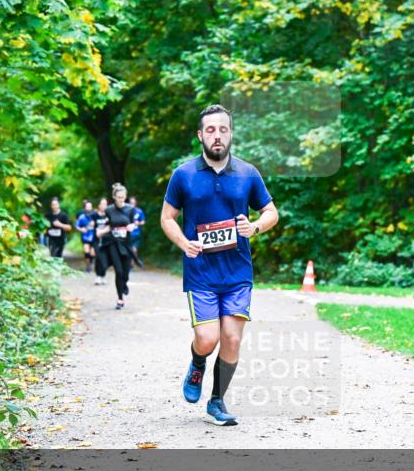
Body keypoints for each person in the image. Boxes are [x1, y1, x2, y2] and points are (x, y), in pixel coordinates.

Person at [160, 104, 279, 426]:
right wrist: (184, 243)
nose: (217, 136)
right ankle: (198, 362)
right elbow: (167, 218)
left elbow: (271, 212)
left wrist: (255, 227)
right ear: (200, 135)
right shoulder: (183, 174)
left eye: (222, 130)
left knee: (233, 339)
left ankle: (217, 401)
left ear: (230, 134)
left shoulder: (247, 173)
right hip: (201, 273)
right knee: (208, 338)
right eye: (210, 130)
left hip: (238, 271)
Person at [99, 184, 137, 309]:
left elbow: (132, 223)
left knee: (125, 272)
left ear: (125, 197)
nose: (121, 199)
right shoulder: (109, 210)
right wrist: (102, 231)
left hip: (126, 244)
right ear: (114, 197)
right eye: (118, 197)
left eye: (123, 197)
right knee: (118, 271)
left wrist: (132, 226)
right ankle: (120, 298)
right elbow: (109, 225)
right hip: (113, 243)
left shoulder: (130, 209)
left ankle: (124, 283)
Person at [91, 197, 110, 285]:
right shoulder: (94, 215)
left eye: (105, 204)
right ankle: (98, 276)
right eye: (102, 204)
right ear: (99, 205)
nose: (104, 206)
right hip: (97, 240)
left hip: (106, 240)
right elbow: (91, 228)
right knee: (98, 258)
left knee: (105, 259)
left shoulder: (109, 214)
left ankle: (103, 275)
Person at [75, 200, 96, 272]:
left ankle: (91, 261)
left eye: (90, 206)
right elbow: (77, 226)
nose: (89, 208)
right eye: (87, 207)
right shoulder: (81, 217)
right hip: (85, 236)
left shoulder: (95, 215)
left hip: (94, 236)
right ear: (84, 208)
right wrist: (81, 229)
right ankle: (88, 266)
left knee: (92, 253)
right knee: (86, 251)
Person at [128, 196, 146, 266]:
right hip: (128, 234)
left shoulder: (139, 211)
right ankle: (128, 263)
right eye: (131, 202)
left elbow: (143, 221)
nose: (132, 204)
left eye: (133, 202)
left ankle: (132, 265)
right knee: (128, 250)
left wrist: (139, 223)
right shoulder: (126, 210)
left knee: (134, 250)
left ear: (135, 203)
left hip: (136, 233)